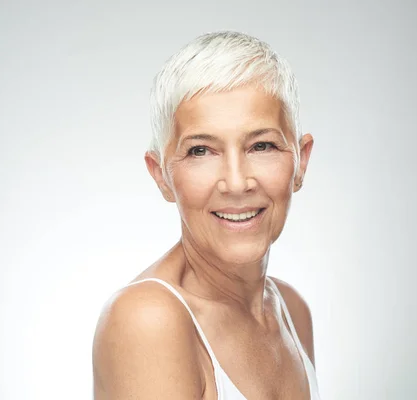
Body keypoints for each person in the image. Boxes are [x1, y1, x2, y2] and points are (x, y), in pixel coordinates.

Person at [92, 31, 320, 400]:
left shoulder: (292, 312)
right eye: (201, 151)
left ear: (301, 161)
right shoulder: (148, 320)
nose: (236, 182)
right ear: (161, 175)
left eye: (261, 145)